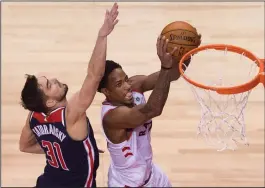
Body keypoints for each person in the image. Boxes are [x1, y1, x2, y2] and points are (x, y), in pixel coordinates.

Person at [18, 3, 119, 188]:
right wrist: (102, 35)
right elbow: (94, 75)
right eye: (49, 85)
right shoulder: (70, 115)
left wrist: (69, 150)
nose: (55, 80)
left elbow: (24, 146)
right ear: (49, 101)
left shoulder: (34, 116)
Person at [97, 34, 200, 187]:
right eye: (119, 84)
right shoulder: (112, 117)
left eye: (126, 79)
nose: (127, 86)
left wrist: (186, 51)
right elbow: (153, 109)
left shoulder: (135, 84)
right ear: (106, 91)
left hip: (151, 174)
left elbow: (172, 74)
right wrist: (165, 67)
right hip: (128, 184)